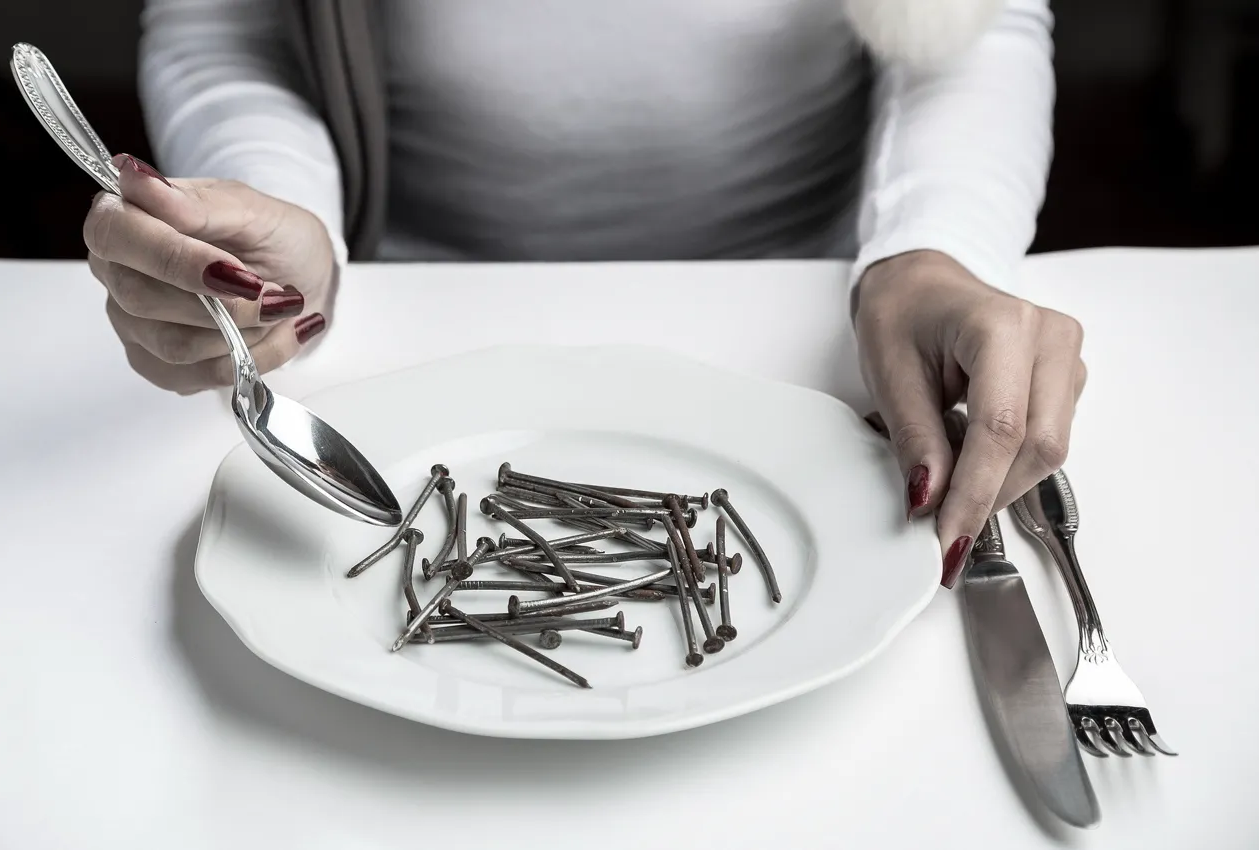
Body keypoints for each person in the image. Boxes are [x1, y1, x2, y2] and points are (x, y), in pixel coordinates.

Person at [85, 0, 1085, 588]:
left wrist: (932, 249)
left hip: (812, 329)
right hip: (400, 320)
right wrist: (279, 208)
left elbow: (977, 21)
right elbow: (227, 19)